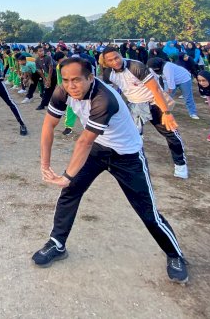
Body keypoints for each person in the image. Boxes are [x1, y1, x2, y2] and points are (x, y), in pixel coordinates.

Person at [32, 57, 188, 284]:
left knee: (147, 211)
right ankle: (57, 243)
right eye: (66, 80)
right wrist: (45, 165)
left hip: (127, 156)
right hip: (99, 149)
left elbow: (83, 142)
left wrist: (67, 176)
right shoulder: (63, 90)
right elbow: (48, 125)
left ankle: (175, 255)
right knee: (70, 193)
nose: (71, 85)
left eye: (76, 80)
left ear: (90, 77)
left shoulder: (103, 99)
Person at [100, 47, 188, 179]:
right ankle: (134, 166)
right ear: (106, 62)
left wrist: (166, 112)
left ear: (120, 55)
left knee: (171, 134)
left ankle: (180, 164)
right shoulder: (108, 74)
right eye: (110, 60)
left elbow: (156, 90)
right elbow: (113, 90)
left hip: (154, 103)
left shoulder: (136, 66)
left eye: (116, 57)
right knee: (133, 137)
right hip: (135, 106)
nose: (115, 61)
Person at [35, 45, 57, 111]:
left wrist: (49, 79)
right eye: (40, 51)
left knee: (53, 90)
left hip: (56, 74)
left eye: (42, 50)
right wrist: (45, 79)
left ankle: (45, 105)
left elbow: (51, 68)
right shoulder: (37, 60)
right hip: (48, 75)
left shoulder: (48, 57)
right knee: (48, 90)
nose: (42, 52)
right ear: (36, 52)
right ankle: (43, 104)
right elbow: (40, 70)